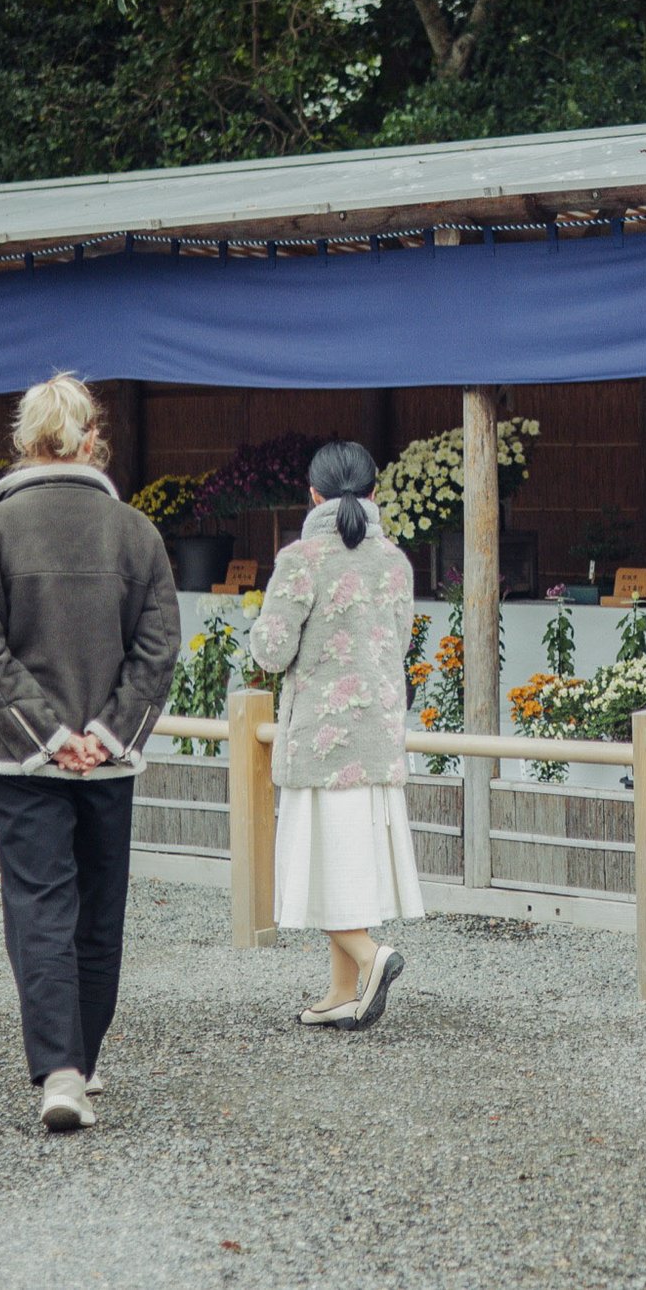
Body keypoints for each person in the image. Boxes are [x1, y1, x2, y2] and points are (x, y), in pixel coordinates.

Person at [0, 372, 179, 1131]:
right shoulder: (136, 533)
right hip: (108, 757)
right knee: (98, 910)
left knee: (40, 903)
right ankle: (80, 1057)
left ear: (23, 441)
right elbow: (157, 650)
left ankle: (60, 1069)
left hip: (14, 755)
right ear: (91, 440)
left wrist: (47, 734)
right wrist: (105, 734)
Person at [247, 439, 423, 1029]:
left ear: (313, 495)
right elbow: (396, 647)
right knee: (346, 866)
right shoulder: (397, 562)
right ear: (375, 494)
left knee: (317, 869)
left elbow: (271, 651)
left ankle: (374, 957)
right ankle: (342, 993)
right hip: (375, 740)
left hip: (320, 743)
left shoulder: (302, 559)